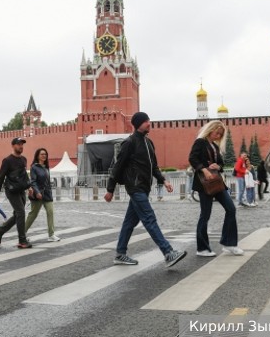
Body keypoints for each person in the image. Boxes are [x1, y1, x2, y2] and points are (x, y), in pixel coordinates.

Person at [104, 112, 187, 267]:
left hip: (144, 188)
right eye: (146, 121)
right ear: (138, 124)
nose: (149, 123)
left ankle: (120, 254)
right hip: (135, 188)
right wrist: (110, 189)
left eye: (149, 120)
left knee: (130, 222)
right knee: (149, 219)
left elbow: (153, 167)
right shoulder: (129, 143)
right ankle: (168, 252)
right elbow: (118, 166)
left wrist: (164, 180)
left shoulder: (149, 143)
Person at [189, 120, 244, 257]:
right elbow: (192, 158)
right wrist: (204, 170)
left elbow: (221, 162)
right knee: (205, 215)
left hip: (217, 183)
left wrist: (218, 166)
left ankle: (229, 243)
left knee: (231, 208)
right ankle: (202, 248)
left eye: (220, 134)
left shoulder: (214, 145)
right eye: (217, 133)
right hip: (204, 183)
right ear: (210, 129)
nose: (218, 136)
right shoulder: (200, 142)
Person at [0, 137, 33, 248]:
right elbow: (1, 178)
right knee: (21, 213)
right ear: (13, 145)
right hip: (11, 191)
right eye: (18, 144)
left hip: (21, 190)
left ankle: (0, 231)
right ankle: (22, 240)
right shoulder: (7, 161)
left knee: (17, 215)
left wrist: (29, 187)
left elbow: (24, 175)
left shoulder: (23, 159)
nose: (21, 146)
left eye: (22, 144)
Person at [25, 148, 61, 242]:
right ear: (37, 156)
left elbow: (47, 182)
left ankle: (51, 235)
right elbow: (33, 181)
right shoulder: (34, 167)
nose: (44, 156)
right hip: (38, 194)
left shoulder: (46, 167)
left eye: (45, 154)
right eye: (42, 154)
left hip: (47, 194)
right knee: (33, 214)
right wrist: (37, 192)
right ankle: (22, 233)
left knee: (50, 212)